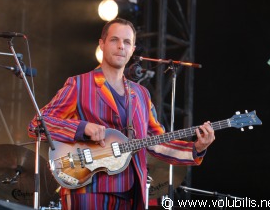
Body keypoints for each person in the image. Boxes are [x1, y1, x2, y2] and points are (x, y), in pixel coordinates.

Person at [28, 18, 215, 210]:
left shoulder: (141, 94)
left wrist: (196, 148)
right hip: (88, 189)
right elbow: (38, 125)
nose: (121, 46)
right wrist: (83, 128)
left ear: (133, 50)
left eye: (127, 42)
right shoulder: (79, 84)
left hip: (133, 194)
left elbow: (155, 141)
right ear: (101, 44)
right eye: (114, 40)